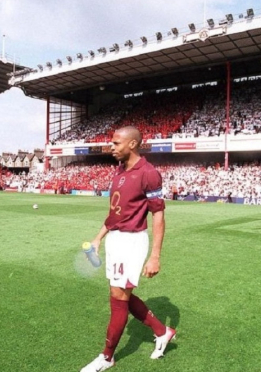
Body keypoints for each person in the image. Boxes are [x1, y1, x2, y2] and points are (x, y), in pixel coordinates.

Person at [81, 126, 176, 372]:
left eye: (116, 143)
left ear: (132, 144)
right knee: (122, 296)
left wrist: (155, 256)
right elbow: (114, 214)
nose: (111, 147)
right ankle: (162, 331)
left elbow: (159, 216)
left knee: (118, 298)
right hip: (115, 239)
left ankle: (106, 357)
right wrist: (98, 238)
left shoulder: (149, 173)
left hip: (132, 241)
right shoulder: (119, 172)